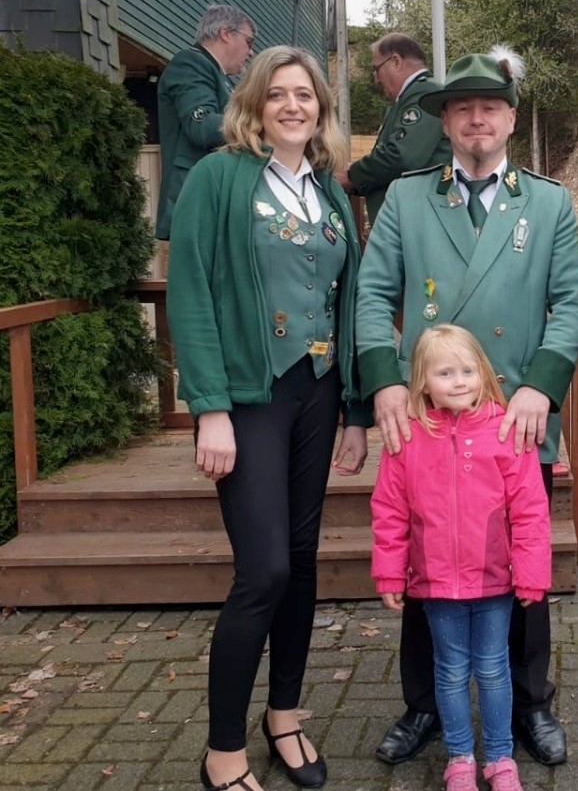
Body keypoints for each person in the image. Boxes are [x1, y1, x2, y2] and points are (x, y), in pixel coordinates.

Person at [356, 45, 578, 768]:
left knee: (522, 561)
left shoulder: (547, 201)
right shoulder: (407, 197)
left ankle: (528, 703)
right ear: (447, 122)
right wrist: (386, 381)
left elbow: (571, 300)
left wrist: (540, 386)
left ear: (510, 119)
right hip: (430, 416)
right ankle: (426, 702)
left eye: (489, 107)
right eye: (462, 109)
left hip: (513, 416)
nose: (477, 118)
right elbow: (370, 294)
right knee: (432, 558)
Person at [167, 45, 372, 791]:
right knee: (265, 570)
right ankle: (223, 749)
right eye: (278, 93)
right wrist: (209, 409)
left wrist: (354, 409)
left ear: (321, 108)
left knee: (303, 561)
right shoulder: (217, 179)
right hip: (249, 396)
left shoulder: (326, 190)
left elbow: (346, 302)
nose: (294, 105)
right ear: (253, 104)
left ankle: (283, 714)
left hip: (315, 392)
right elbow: (190, 294)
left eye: (306, 95)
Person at [372, 324, 551, 791]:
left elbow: (531, 509)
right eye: (445, 372)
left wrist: (531, 574)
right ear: (422, 382)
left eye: (468, 370)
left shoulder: (506, 431)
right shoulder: (407, 438)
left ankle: (499, 757)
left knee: (493, 668)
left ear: (483, 373)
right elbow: (390, 510)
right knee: (449, 671)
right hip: (435, 583)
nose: (459, 381)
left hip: (494, 581)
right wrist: (390, 571)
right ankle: (459, 758)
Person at [156, 4, 256, 242]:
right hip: (196, 202)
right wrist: (261, 124)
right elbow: (201, 126)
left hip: (210, 202)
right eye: (249, 42)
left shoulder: (218, 75)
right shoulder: (191, 63)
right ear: (225, 33)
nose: (251, 52)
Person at [334, 33, 451, 226]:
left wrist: (352, 175)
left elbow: (402, 157)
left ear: (396, 61)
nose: (376, 79)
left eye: (376, 69)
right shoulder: (411, 97)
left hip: (418, 222)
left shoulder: (425, 94)